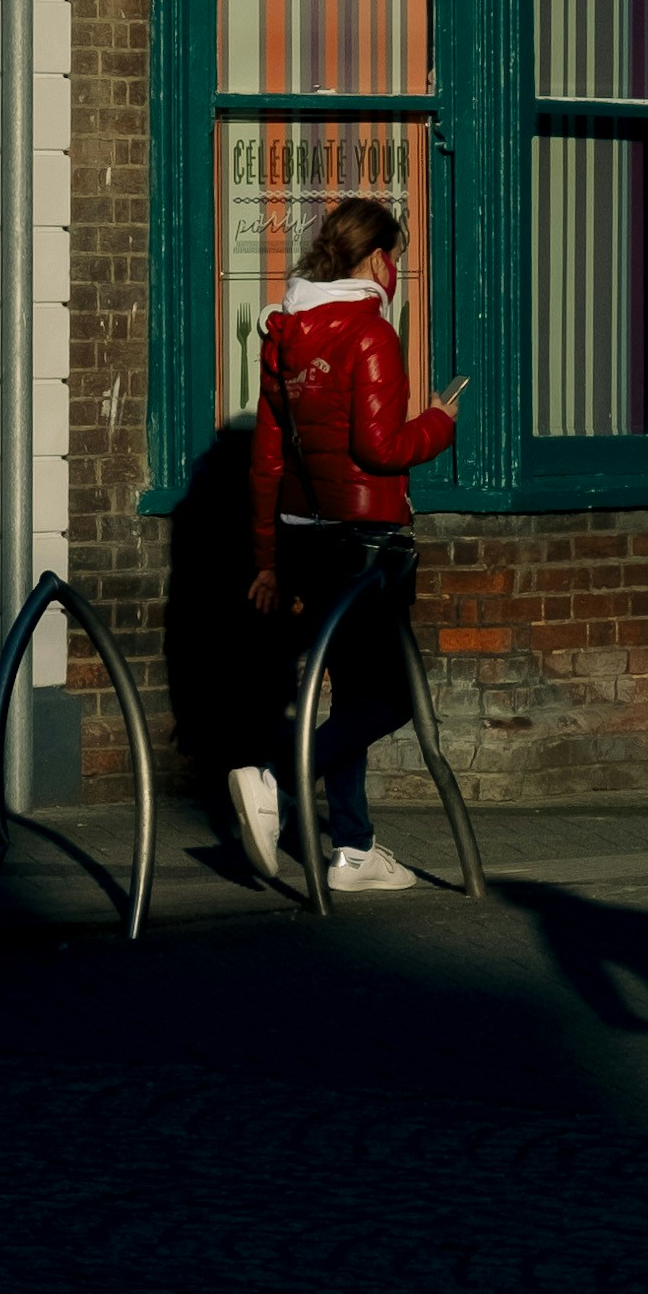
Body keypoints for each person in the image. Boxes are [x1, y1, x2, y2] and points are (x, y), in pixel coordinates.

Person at [229, 197, 462, 893]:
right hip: (365, 543)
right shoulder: (369, 333)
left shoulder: (286, 333)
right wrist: (440, 423)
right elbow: (381, 445)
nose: (396, 270)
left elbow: (267, 461)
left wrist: (268, 560)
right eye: (394, 256)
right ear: (376, 257)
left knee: (350, 691)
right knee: (391, 700)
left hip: (305, 537)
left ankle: (354, 850)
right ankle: (277, 777)